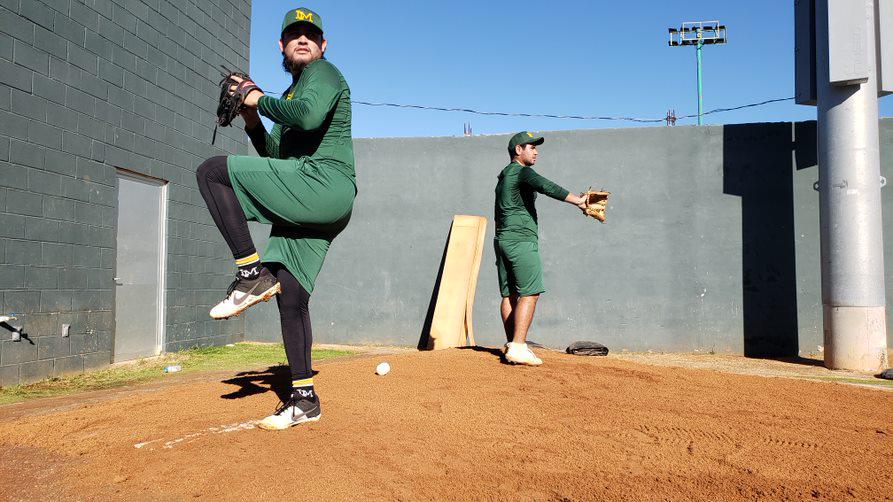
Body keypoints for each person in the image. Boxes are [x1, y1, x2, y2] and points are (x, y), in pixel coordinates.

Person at [195, 7, 355, 429]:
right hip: (312, 198)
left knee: (212, 172)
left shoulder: (324, 73)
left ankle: (250, 272)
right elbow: (276, 161)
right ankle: (304, 399)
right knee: (292, 298)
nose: (303, 39)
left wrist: (253, 98)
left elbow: (307, 116)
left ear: (323, 46)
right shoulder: (286, 98)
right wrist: (252, 120)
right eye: (294, 34)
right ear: (281, 46)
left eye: (311, 34)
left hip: (323, 184)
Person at [494, 132, 588, 366]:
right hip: (521, 240)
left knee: (509, 295)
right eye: (531, 147)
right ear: (518, 150)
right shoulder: (522, 172)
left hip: (502, 239)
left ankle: (512, 344)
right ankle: (517, 346)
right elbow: (546, 186)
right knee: (530, 292)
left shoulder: (504, 176)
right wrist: (579, 201)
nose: (536, 151)